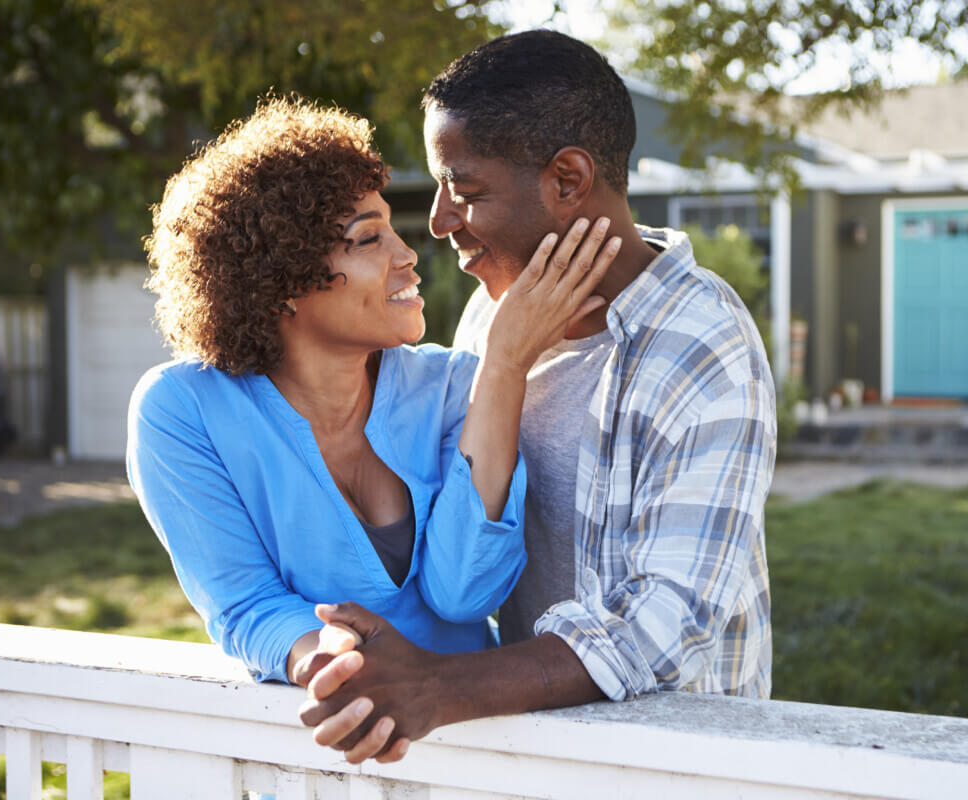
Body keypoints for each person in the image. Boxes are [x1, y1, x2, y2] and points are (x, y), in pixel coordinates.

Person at [296, 30, 778, 764]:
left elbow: (665, 624)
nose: (437, 223)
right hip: (534, 753)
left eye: (465, 190)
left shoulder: (699, 345)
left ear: (567, 180)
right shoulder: (494, 316)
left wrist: (440, 686)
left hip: (672, 766)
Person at [125, 97, 619, 695]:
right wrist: (329, 657)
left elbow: (465, 591)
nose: (407, 256)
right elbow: (245, 604)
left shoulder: (453, 386)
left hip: (467, 752)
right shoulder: (182, 410)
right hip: (319, 761)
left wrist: (507, 363)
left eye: (392, 230)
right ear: (279, 280)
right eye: (368, 239)